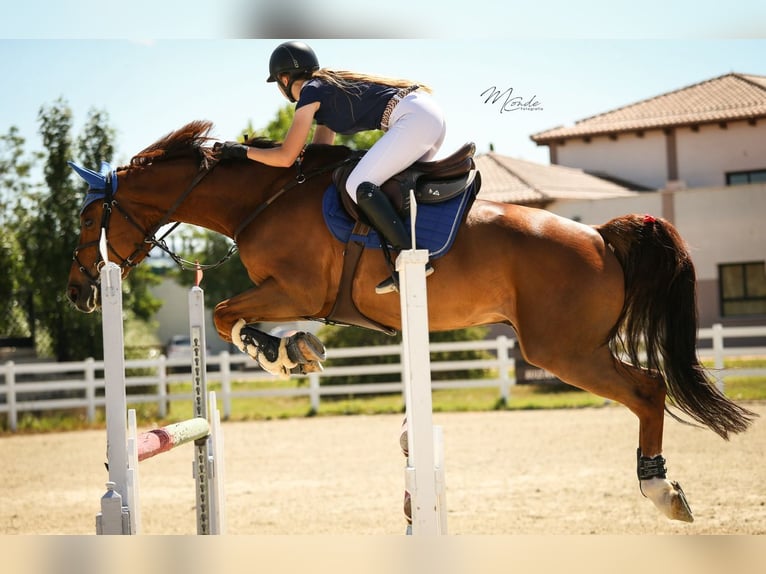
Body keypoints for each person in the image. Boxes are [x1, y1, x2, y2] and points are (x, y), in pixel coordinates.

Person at [218, 40, 447, 294]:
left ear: (283, 79)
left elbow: (286, 157)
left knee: (357, 185)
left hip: (415, 119)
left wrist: (242, 152)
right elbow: (321, 152)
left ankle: (409, 258)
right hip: (426, 116)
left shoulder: (310, 91)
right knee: (395, 189)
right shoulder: (322, 91)